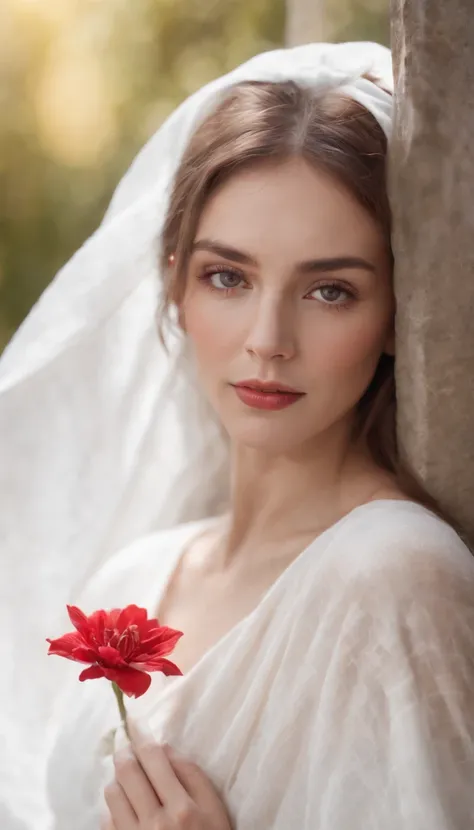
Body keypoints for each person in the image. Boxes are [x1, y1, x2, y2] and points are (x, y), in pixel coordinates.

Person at [1, 42, 474, 830]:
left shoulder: (393, 579)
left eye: (330, 290)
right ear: (177, 285)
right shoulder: (136, 574)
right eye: (229, 277)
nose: (267, 338)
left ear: (395, 315)